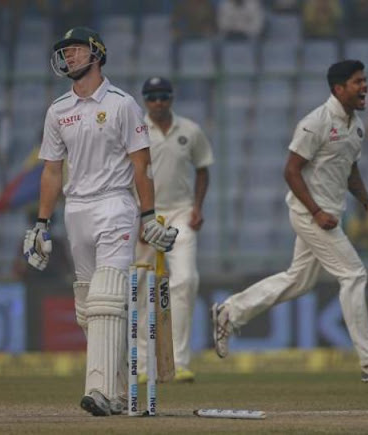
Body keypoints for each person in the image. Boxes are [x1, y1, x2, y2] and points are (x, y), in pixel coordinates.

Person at [211, 60, 368, 382]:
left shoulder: (356, 124)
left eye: (365, 81)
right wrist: (316, 212)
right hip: (311, 215)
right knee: (353, 274)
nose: (365, 87)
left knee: (299, 280)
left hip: (329, 215)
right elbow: (291, 170)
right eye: (357, 82)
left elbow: (350, 169)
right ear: (338, 88)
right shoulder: (315, 123)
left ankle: (231, 312)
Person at [23, 27, 178, 416]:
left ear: (96, 54)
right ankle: (121, 393)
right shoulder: (58, 110)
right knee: (88, 307)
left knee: (107, 298)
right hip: (76, 209)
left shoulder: (123, 104)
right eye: (64, 52)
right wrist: (41, 224)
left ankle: (97, 391)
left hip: (115, 205)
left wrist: (147, 216)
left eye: (75, 50)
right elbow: (52, 173)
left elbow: (141, 166)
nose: (68, 57)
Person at [135, 77, 213, 384]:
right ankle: (143, 366)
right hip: (147, 215)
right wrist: (139, 218)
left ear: (171, 98)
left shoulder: (190, 130)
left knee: (186, 280)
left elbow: (203, 169)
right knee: (140, 289)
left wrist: (197, 207)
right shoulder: (136, 132)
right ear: (145, 100)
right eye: (152, 97)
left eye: (163, 96)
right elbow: (131, 175)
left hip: (181, 213)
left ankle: (178, 363)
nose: (158, 102)